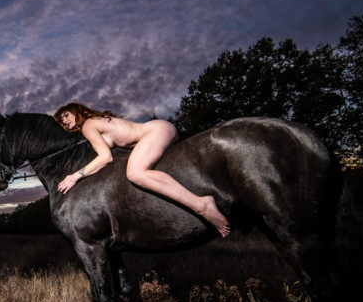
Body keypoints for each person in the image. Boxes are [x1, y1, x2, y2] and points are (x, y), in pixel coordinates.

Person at [53, 102, 230, 238]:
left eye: (66, 115)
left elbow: (105, 157)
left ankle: (201, 205)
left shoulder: (88, 126)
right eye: (62, 121)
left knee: (135, 173)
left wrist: (74, 176)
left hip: (156, 131)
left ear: (76, 110)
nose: (65, 121)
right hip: (161, 129)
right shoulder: (95, 122)